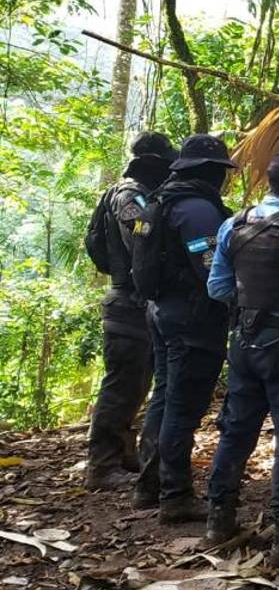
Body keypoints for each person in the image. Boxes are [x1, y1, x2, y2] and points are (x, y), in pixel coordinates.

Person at [201, 149, 279, 566]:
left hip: (245, 342)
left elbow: (217, 288)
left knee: (236, 430)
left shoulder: (232, 224)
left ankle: (219, 520)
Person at [131, 134, 235, 523]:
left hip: (160, 311)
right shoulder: (197, 211)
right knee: (182, 406)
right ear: (209, 172)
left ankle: (149, 486)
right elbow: (212, 272)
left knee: (165, 397)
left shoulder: (160, 201)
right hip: (190, 320)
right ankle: (175, 494)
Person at [83, 132, 178, 490]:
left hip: (135, 303)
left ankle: (122, 454)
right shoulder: (129, 196)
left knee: (137, 383)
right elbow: (141, 242)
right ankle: (102, 465)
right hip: (128, 304)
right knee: (122, 386)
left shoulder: (133, 193)